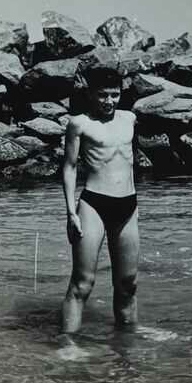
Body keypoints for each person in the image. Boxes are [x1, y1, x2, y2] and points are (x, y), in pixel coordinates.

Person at [60, 66, 138, 334]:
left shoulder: (129, 118)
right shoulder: (79, 123)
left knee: (128, 282)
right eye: (103, 95)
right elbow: (69, 167)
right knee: (83, 283)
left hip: (128, 205)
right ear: (91, 94)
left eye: (114, 95)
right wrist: (71, 213)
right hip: (93, 205)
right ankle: (68, 344)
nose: (109, 101)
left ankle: (127, 341)